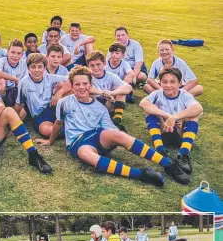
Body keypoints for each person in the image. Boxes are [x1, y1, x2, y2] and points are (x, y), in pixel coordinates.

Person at [36, 66, 190, 186]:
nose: (81, 87)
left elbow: (110, 129)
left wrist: (121, 138)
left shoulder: (100, 108)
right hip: (77, 142)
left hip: (98, 135)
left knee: (118, 134)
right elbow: (58, 123)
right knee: (87, 155)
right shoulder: (64, 103)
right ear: (72, 85)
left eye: (85, 83)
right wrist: (50, 140)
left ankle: (169, 165)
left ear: (91, 85)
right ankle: (142, 174)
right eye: (77, 84)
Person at [139, 67, 203, 174]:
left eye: (172, 82)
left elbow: (199, 108)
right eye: (165, 82)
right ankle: (160, 149)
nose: (168, 85)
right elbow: (143, 103)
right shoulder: (158, 93)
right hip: (162, 130)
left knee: (193, 115)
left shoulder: (184, 95)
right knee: (149, 110)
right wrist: (167, 116)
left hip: (180, 133)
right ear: (160, 83)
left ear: (180, 83)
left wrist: (176, 117)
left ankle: (183, 153)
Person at [15, 53, 70, 137]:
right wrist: (15, 121)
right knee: (46, 131)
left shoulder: (49, 77)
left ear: (44, 68)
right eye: (33, 67)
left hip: (52, 106)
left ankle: (72, 120)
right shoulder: (24, 83)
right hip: (40, 115)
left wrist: (60, 92)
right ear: (28, 68)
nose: (37, 70)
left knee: (67, 85)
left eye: (40, 67)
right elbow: (19, 104)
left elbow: (72, 79)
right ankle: (70, 129)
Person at [86, 51, 133, 130]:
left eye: (98, 64)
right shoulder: (87, 76)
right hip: (93, 105)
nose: (95, 68)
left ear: (104, 63)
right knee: (90, 94)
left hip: (107, 103)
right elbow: (87, 88)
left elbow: (128, 88)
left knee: (120, 92)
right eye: (92, 65)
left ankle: (117, 121)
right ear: (88, 66)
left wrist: (112, 93)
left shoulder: (110, 76)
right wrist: (102, 93)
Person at [0, 39, 28, 107]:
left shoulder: (24, 63)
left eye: (18, 53)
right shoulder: (2, 60)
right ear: (8, 52)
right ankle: (2, 102)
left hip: (17, 92)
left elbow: (26, 81)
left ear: (22, 54)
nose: (15, 56)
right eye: (13, 52)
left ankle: (21, 105)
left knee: (22, 114)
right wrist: (15, 79)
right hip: (5, 91)